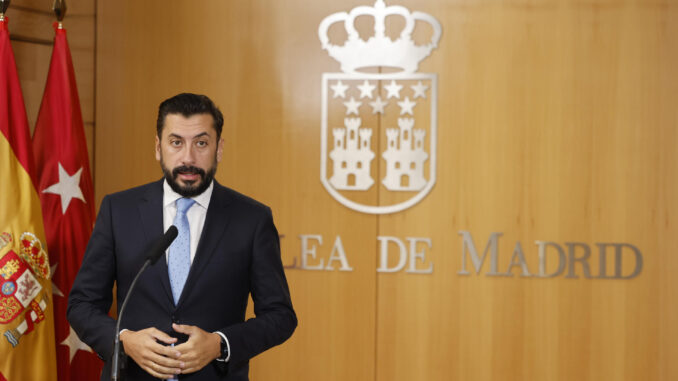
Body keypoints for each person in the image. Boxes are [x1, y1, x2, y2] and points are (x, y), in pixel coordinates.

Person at [67, 93, 297, 380]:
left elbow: (280, 316)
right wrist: (124, 340)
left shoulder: (251, 219)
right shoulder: (119, 210)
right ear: (158, 147)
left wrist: (220, 344)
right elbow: (82, 304)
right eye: (176, 142)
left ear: (219, 148)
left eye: (201, 143)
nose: (188, 157)